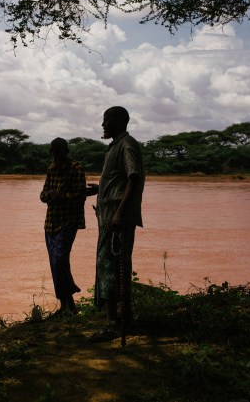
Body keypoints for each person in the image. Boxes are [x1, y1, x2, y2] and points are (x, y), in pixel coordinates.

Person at [86, 107, 145, 342]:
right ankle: (121, 316)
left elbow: (134, 177)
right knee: (110, 265)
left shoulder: (127, 144)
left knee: (111, 266)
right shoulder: (115, 146)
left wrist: (120, 212)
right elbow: (119, 181)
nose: (103, 125)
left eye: (106, 121)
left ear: (119, 121)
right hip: (108, 216)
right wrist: (99, 190)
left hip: (117, 219)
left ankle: (113, 321)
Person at [40, 137, 87, 316]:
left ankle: (70, 303)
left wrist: (59, 196)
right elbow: (43, 193)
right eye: (52, 151)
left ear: (65, 152)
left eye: (57, 151)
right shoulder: (51, 169)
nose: (54, 155)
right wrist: (48, 196)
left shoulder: (76, 168)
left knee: (59, 259)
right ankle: (66, 305)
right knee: (55, 262)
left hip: (69, 221)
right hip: (50, 222)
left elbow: (80, 196)